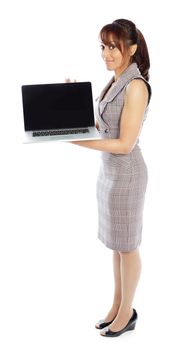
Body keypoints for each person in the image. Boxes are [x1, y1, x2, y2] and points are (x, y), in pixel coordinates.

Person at [70, 18, 151, 337]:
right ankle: (118, 305)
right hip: (110, 173)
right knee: (117, 245)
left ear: (131, 49)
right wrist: (69, 106)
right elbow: (105, 124)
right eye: (103, 46)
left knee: (128, 246)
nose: (106, 53)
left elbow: (124, 143)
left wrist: (76, 140)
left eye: (114, 47)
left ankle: (128, 311)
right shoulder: (115, 80)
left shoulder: (135, 85)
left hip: (127, 174)